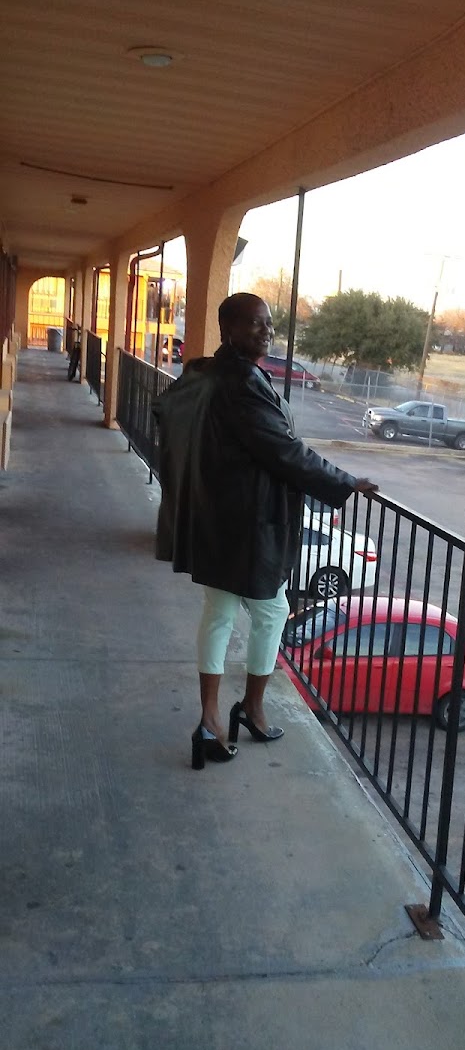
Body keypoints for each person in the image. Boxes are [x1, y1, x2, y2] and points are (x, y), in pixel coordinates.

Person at [153, 292, 379, 770]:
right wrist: (345, 482)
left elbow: (170, 411)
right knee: (273, 611)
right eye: (255, 323)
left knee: (218, 611)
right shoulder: (241, 383)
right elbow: (285, 451)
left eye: (269, 323)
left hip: (217, 513)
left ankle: (211, 718)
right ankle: (250, 707)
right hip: (249, 520)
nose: (267, 331)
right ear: (228, 329)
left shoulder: (207, 372)